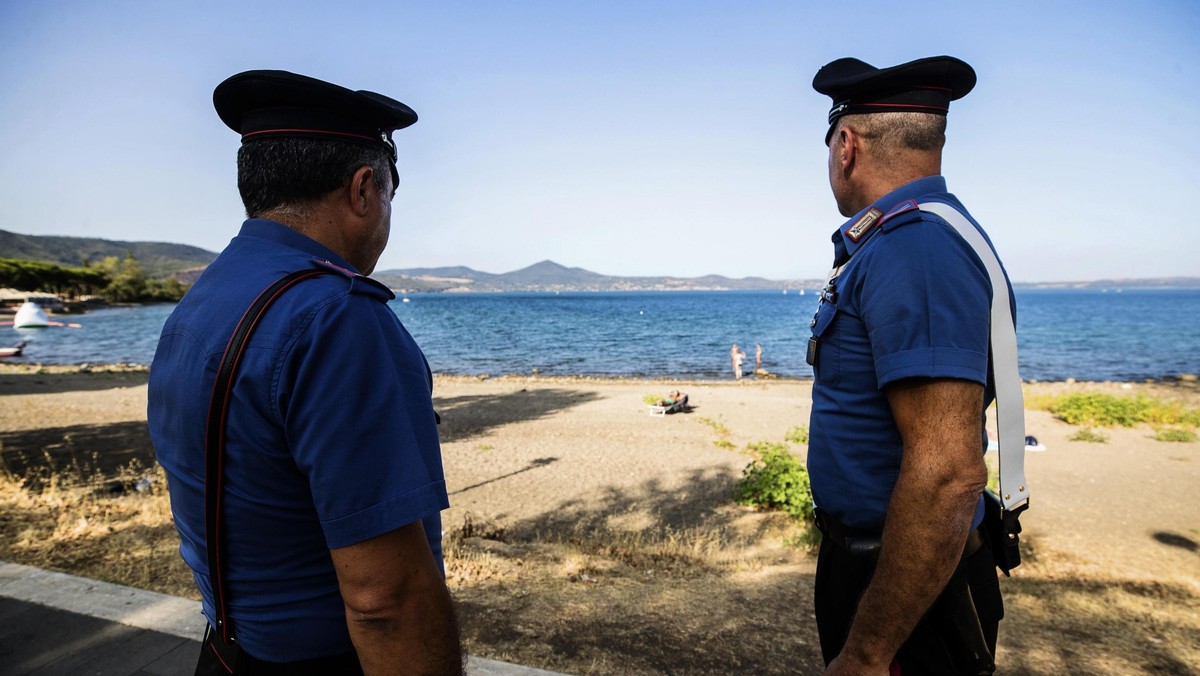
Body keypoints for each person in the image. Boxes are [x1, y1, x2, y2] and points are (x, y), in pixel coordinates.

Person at [147, 70, 463, 675]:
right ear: (364, 189)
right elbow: (384, 602)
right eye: (392, 197)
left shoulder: (207, 296)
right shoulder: (337, 319)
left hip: (224, 651)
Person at [805, 56, 1013, 675]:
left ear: (847, 145)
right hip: (889, 569)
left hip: (905, 585)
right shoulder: (906, 240)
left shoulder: (915, 249)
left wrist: (870, 653)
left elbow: (949, 473)